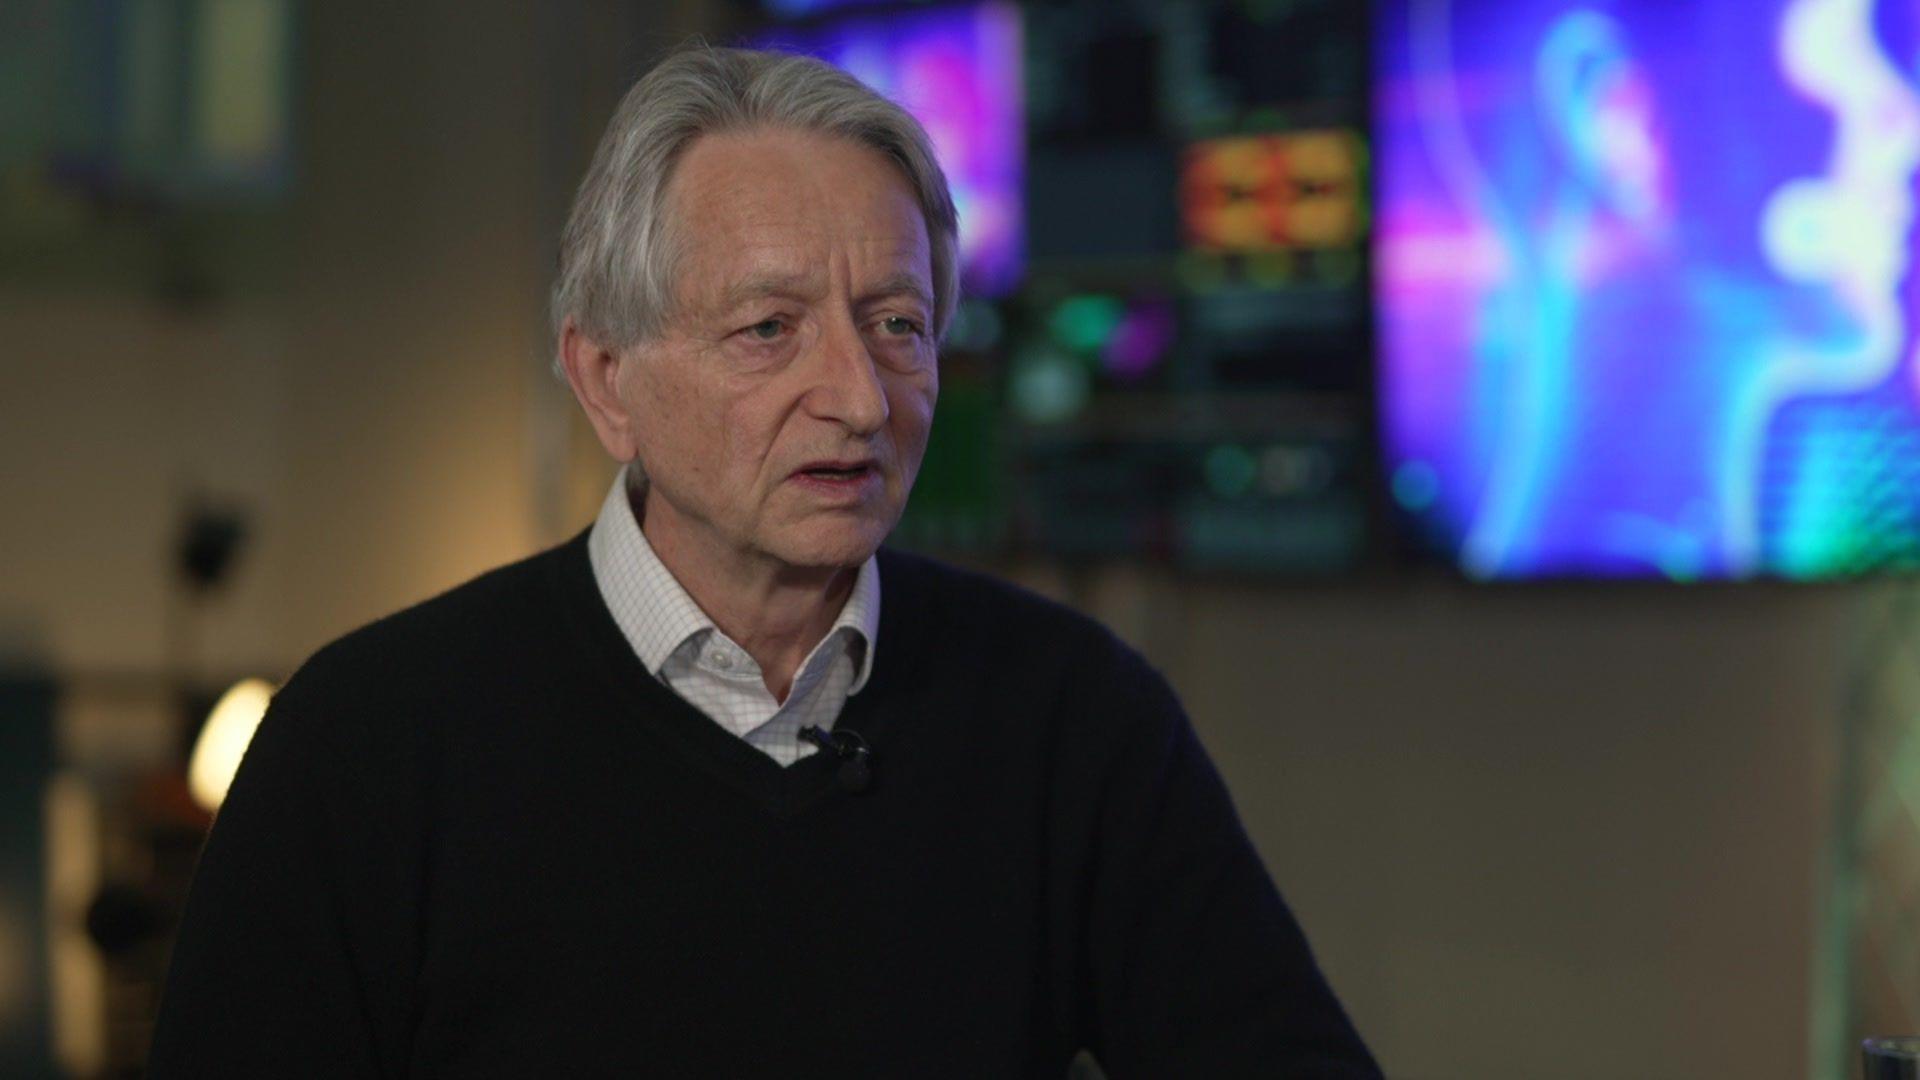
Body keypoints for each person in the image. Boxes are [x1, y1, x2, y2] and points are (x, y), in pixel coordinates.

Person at [149, 46, 1379, 1077]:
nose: (856, 397)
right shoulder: (368, 739)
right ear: (606, 379)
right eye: (768, 329)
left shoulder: (1074, 715)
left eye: (898, 325)